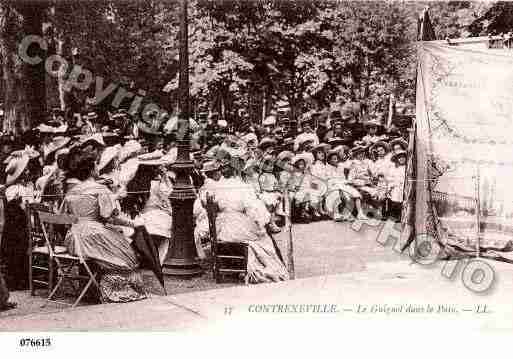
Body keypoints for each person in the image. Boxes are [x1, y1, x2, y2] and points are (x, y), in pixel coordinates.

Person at [61, 150, 147, 303]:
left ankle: (90, 289)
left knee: (116, 241)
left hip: (74, 237)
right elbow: (110, 217)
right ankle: (113, 290)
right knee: (126, 253)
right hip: (92, 235)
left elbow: (65, 215)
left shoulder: (73, 190)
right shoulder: (99, 189)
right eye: (96, 165)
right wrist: (133, 223)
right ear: (92, 169)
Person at [213, 160, 288, 283]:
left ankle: (236, 264)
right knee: (263, 237)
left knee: (257, 230)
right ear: (237, 171)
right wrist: (264, 221)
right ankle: (258, 267)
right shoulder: (242, 186)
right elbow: (252, 208)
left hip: (221, 225)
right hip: (235, 225)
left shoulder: (217, 186)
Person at [0, 147, 40, 290]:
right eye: (26, 170)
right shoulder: (14, 189)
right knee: (17, 249)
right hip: (16, 226)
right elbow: (22, 208)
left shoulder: (26, 186)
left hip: (22, 223)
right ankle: (18, 279)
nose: (29, 172)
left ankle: (25, 276)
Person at [387, 150, 407, 221]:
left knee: (404, 201)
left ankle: (403, 216)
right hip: (397, 186)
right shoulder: (395, 169)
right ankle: (397, 215)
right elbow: (391, 178)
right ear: (397, 160)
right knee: (396, 200)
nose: (401, 159)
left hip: (405, 186)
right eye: (399, 158)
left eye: (403, 157)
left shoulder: (407, 168)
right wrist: (391, 186)